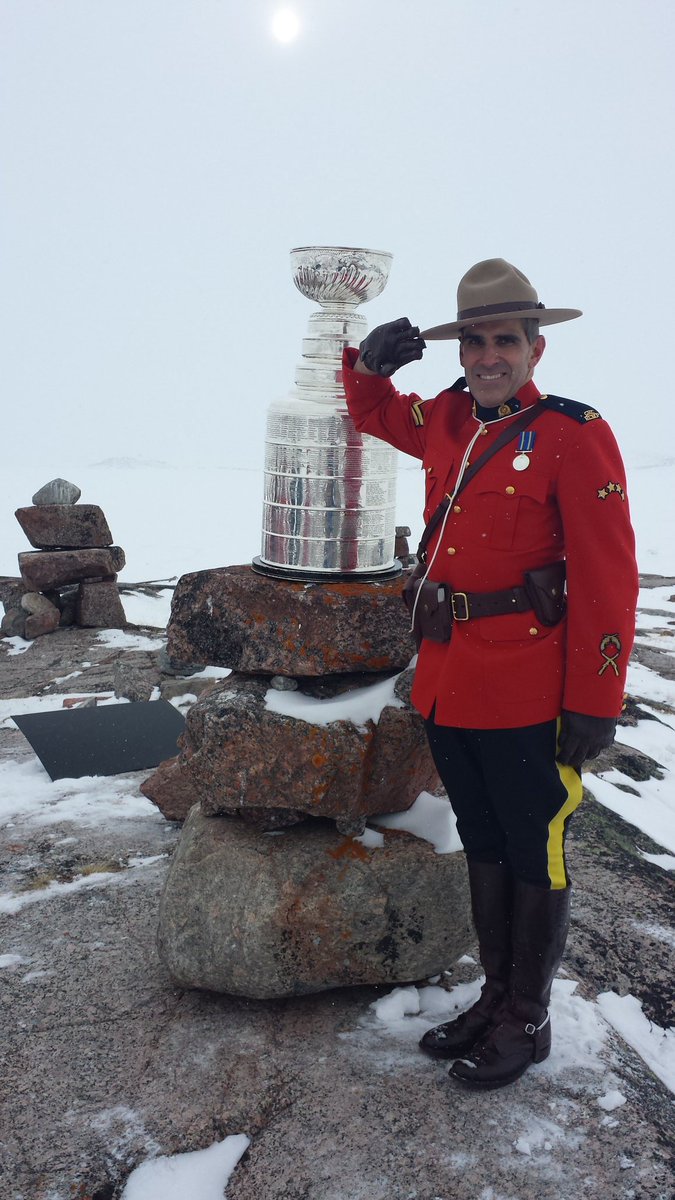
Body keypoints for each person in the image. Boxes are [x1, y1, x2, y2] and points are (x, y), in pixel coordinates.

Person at [342, 258, 638, 1089]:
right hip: (449, 679)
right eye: (473, 341)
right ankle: (496, 996)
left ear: (534, 348)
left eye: (503, 340)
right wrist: (366, 366)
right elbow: (370, 412)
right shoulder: (444, 419)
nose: (486, 355)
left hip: (530, 690)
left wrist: (594, 701)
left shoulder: (574, 435)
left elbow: (608, 576)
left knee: (532, 849)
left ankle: (528, 1018)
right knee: (483, 840)